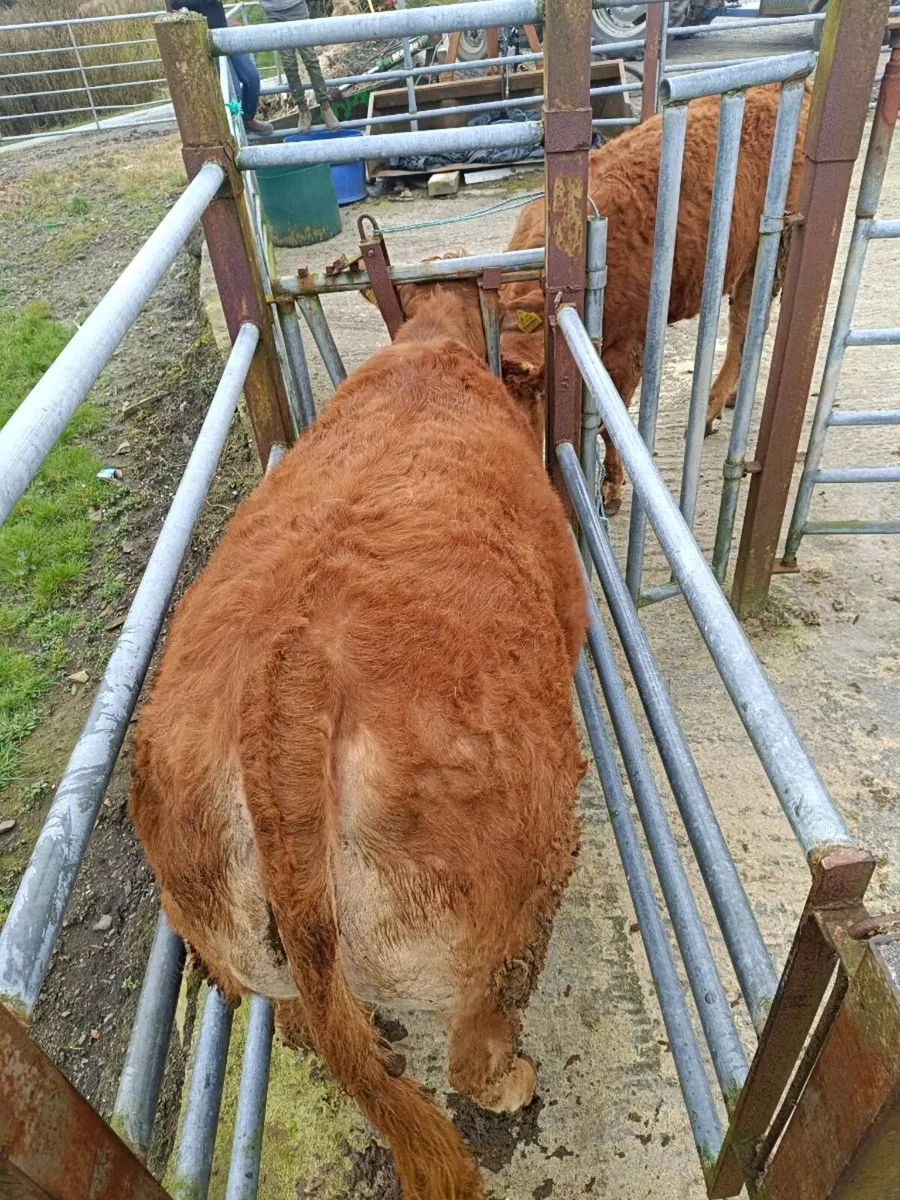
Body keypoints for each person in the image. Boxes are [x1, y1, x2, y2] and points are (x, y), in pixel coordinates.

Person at [171, 0, 273, 137]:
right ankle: (233, 134)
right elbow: (175, 3)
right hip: (208, 40)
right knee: (233, 91)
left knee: (252, 78)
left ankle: (247, 120)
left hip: (225, 33)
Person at [258, 0, 339, 132]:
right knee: (288, 63)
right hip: (273, 12)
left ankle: (325, 106)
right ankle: (303, 110)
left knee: (310, 58)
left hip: (296, 7)